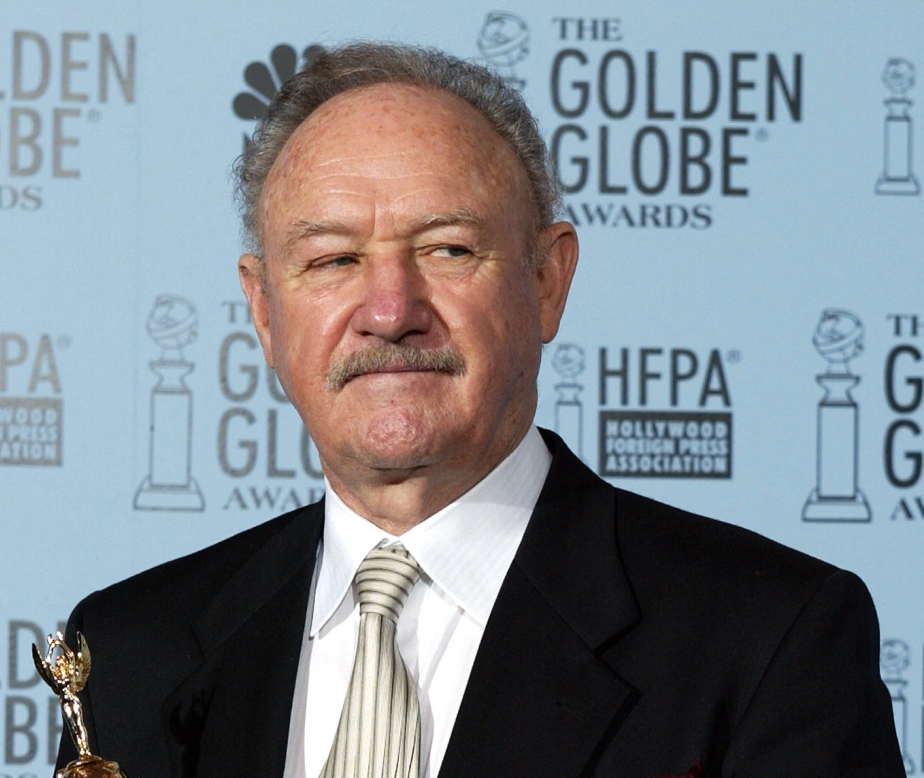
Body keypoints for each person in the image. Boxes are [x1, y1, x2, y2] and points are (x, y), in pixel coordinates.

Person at [56, 43, 903, 778]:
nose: (390, 310)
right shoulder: (130, 652)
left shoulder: (769, 640)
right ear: (265, 309)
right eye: (333, 259)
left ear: (547, 281)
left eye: (447, 249)